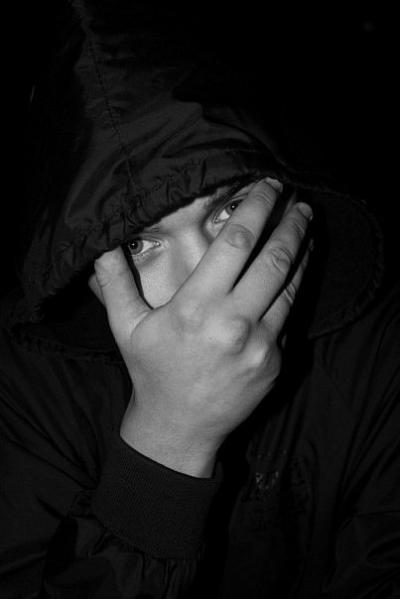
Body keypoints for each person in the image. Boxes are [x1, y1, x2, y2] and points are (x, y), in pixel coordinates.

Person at [1, 2, 399, 598]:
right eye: (138, 242)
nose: (204, 282)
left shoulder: (380, 341)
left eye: (231, 208)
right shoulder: (24, 386)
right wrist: (166, 446)